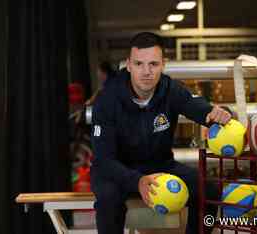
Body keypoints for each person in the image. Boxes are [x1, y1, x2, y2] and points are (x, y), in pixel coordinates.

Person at [91, 32, 232, 234]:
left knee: (208, 189)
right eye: (139, 64)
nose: (146, 72)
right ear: (128, 65)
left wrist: (220, 113)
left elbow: (198, 107)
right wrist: (136, 181)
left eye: (153, 64)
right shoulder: (107, 99)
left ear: (163, 65)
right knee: (108, 199)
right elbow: (104, 160)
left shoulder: (170, 89)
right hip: (117, 170)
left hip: (159, 166)